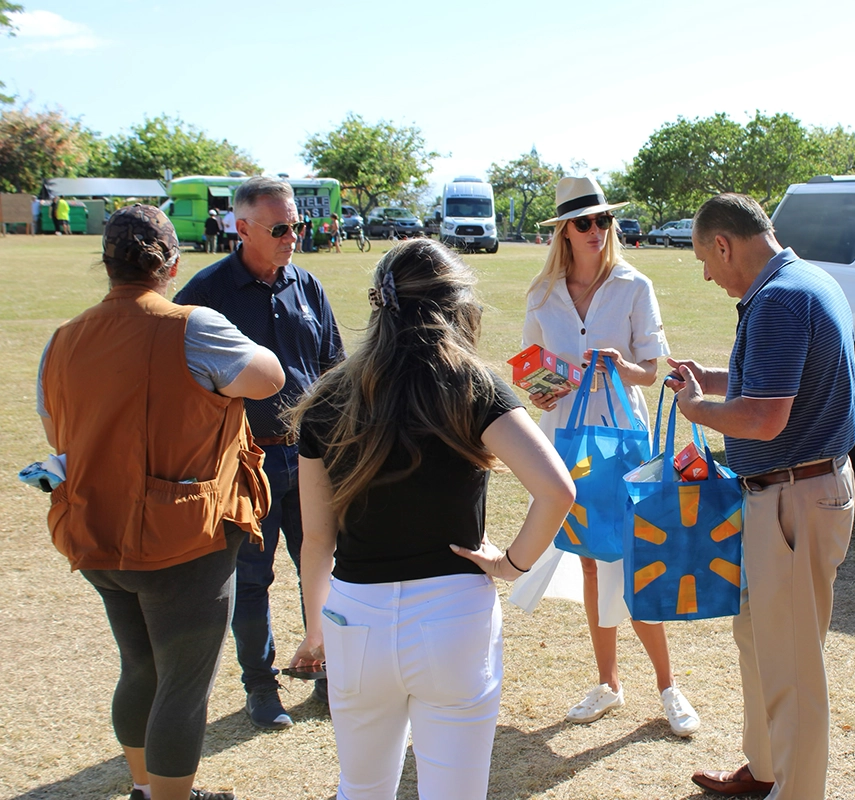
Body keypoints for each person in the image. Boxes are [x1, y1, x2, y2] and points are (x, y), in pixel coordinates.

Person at [287, 238, 575, 799]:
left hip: (355, 617)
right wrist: (512, 565)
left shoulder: (331, 395)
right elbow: (557, 491)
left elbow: (316, 539)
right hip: (453, 616)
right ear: (458, 304)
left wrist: (316, 629)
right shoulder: (473, 386)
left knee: (362, 787)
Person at [37, 205, 285, 800]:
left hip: (96, 532)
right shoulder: (192, 325)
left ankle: (147, 787)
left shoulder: (63, 338)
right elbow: (269, 378)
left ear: (107, 265)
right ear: (172, 264)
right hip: (182, 539)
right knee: (182, 683)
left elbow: (54, 430)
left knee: (140, 667)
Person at [667, 193, 855, 799]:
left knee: (793, 665)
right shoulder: (806, 282)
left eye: (704, 258)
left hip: (793, 499)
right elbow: (773, 387)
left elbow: (767, 417)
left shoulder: (777, 299)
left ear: (724, 244)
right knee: (760, 640)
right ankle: (768, 768)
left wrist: (698, 407)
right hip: (792, 495)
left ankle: (794, 790)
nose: (707, 274)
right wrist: (714, 381)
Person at [513, 175, 701, 737]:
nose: (597, 231)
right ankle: (609, 683)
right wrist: (541, 388)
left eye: (603, 220)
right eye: (584, 223)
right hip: (567, 442)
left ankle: (668, 686)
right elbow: (532, 370)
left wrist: (621, 366)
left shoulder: (634, 285)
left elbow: (653, 368)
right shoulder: (542, 294)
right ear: (563, 233)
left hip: (622, 439)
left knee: (634, 555)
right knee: (594, 560)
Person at [174, 176, 345, 730]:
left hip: (311, 457)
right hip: (243, 466)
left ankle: (327, 672)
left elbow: (333, 367)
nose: (293, 235)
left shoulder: (309, 286)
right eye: (280, 227)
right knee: (251, 579)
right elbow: (178, 381)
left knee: (322, 567)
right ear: (240, 227)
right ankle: (260, 686)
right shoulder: (204, 296)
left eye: (297, 225)